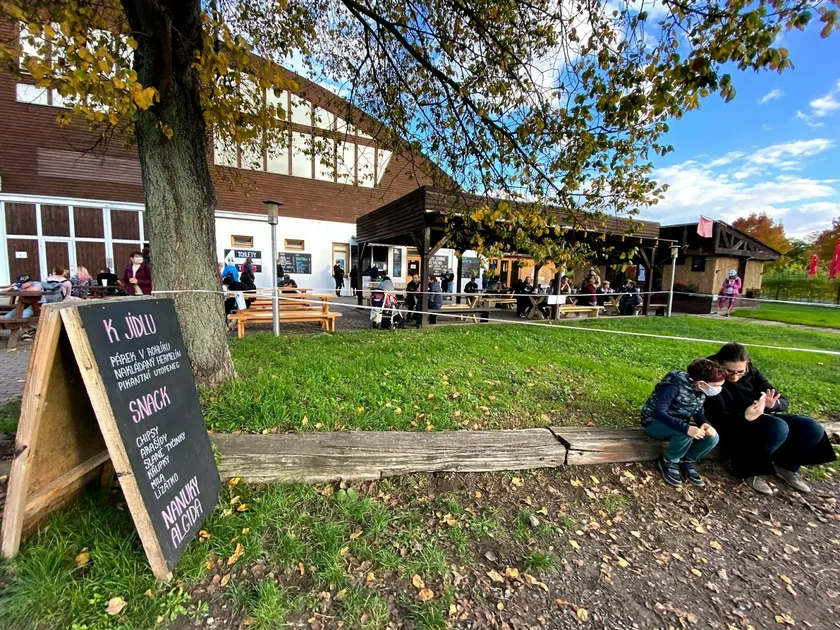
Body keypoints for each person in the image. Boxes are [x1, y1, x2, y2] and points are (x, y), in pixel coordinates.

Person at [704, 342, 836, 495]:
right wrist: (746, 417)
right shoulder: (710, 376)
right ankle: (748, 469)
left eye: (740, 371)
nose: (735, 376)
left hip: (759, 416)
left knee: (811, 426)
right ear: (719, 363)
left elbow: (782, 400)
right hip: (731, 424)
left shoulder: (751, 373)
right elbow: (718, 416)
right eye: (730, 372)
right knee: (777, 427)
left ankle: (786, 465)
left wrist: (774, 404)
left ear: (747, 366)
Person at [640, 358, 723, 488]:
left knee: (713, 437)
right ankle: (670, 460)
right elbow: (658, 412)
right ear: (702, 383)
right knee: (685, 434)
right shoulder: (673, 387)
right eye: (716, 386)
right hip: (654, 423)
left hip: (677, 425)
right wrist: (685, 428)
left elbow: (698, 412)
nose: (719, 389)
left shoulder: (700, 391)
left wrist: (705, 424)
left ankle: (686, 459)